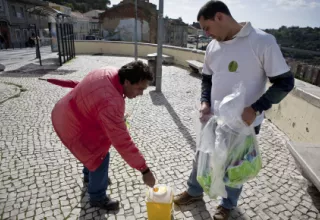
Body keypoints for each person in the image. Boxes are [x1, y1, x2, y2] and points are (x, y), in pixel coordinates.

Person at [173, 1, 295, 220]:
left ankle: (227, 205)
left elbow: (285, 82)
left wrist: (256, 108)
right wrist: (204, 102)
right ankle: (194, 191)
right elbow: (207, 79)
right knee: (202, 155)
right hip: (214, 119)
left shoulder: (263, 41)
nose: (206, 34)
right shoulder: (213, 46)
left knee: (236, 165)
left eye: (206, 28)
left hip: (244, 123)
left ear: (219, 17)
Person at [48, 61, 156, 211]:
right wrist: (144, 170)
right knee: (99, 155)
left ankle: (89, 177)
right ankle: (97, 197)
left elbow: (95, 93)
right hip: (73, 124)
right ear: (126, 81)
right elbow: (122, 142)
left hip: (69, 110)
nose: (141, 94)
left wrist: (114, 116)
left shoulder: (110, 71)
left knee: (92, 150)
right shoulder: (111, 102)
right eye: (139, 88)